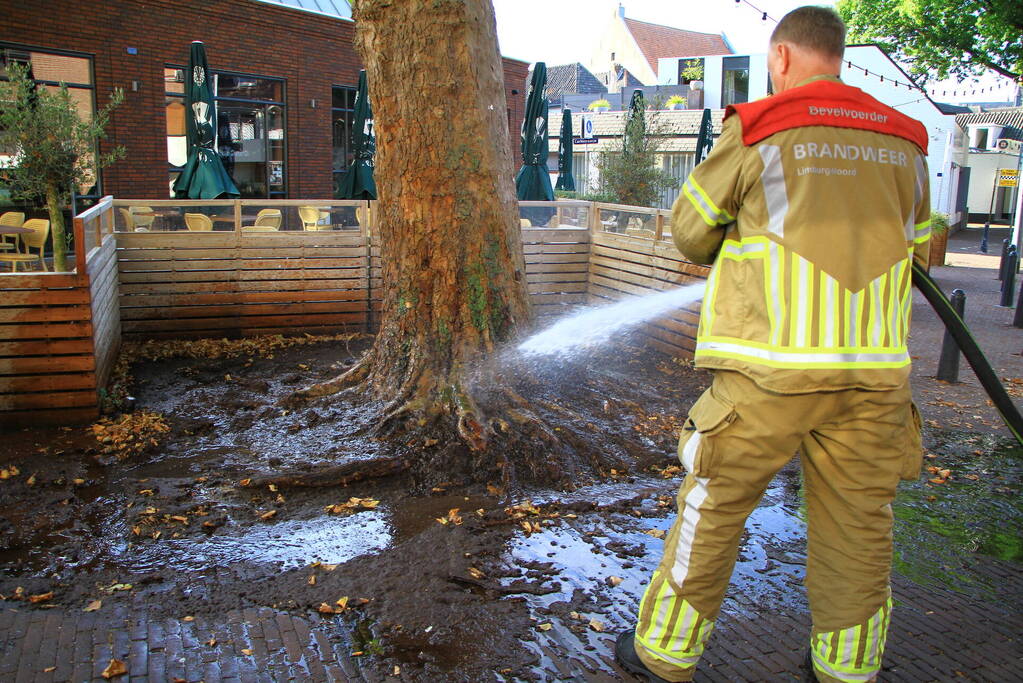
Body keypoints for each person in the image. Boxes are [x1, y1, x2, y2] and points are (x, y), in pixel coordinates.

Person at [614, 7, 930, 683]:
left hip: (767, 376)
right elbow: (924, 249)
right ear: (836, 56)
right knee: (859, 526)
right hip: (872, 378)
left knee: (713, 507)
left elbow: (690, 231)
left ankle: (663, 656)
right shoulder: (906, 143)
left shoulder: (760, 129)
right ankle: (845, 669)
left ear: (781, 57)